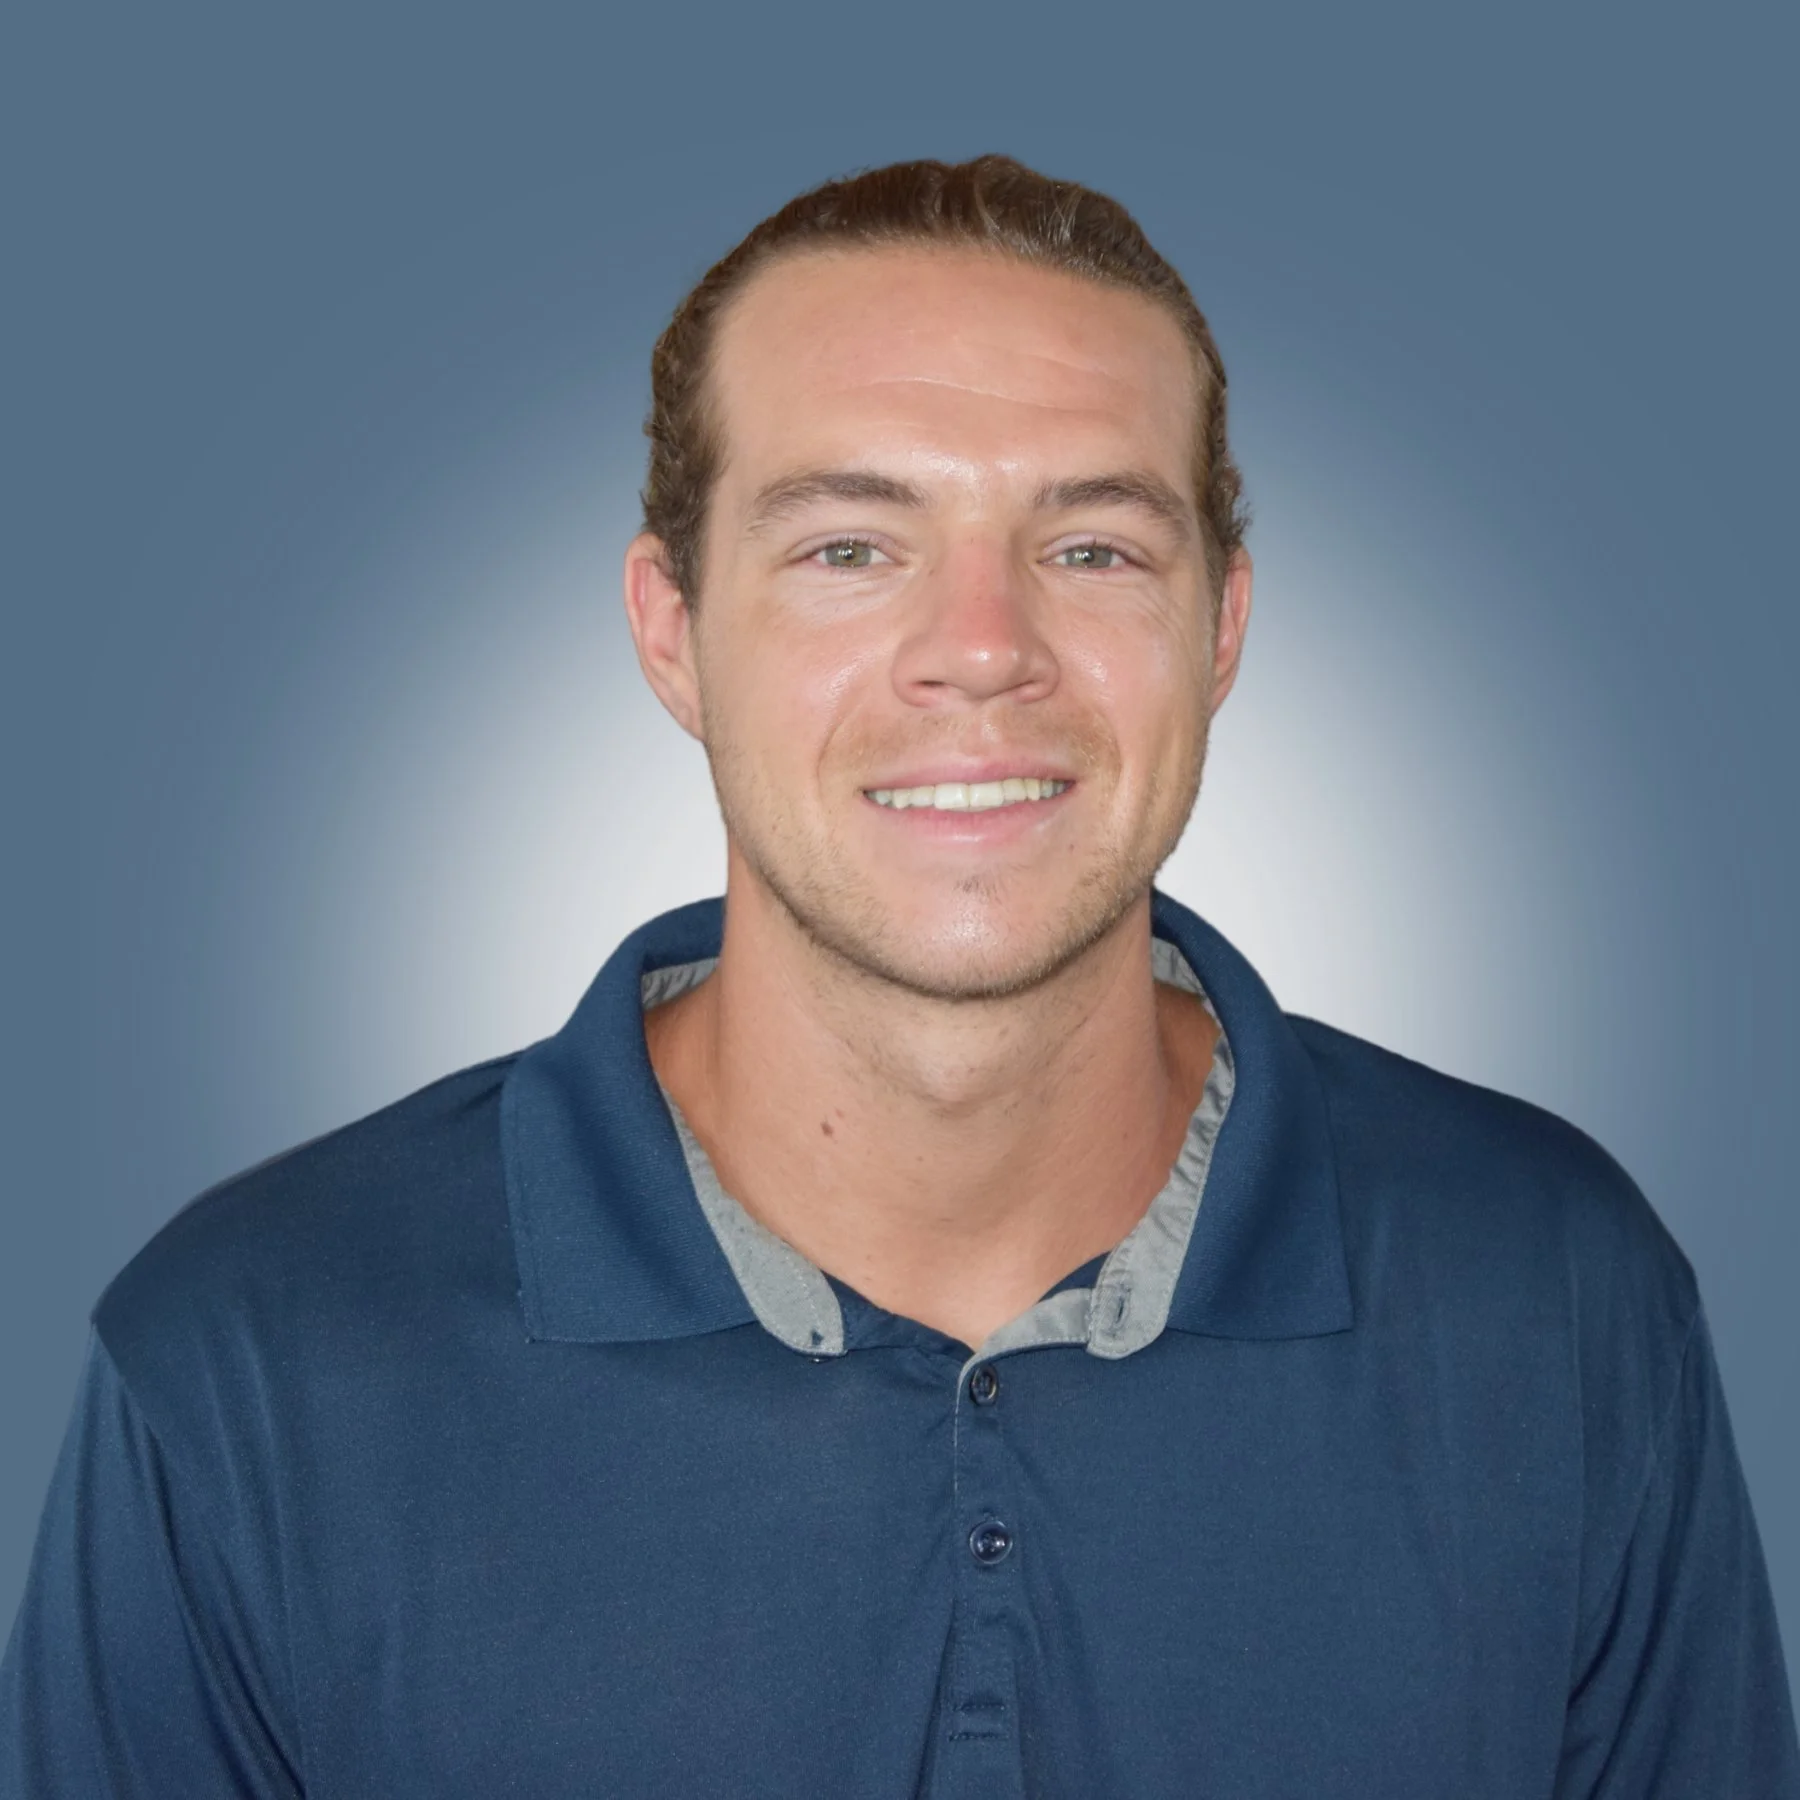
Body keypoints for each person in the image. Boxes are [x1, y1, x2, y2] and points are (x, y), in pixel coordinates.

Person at [2, 153, 1794, 1799]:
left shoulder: (1559, 1297)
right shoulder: (244, 1360)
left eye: (1091, 547)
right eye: (851, 548)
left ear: (1221, 630)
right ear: (672, 632)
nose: (983, 649)